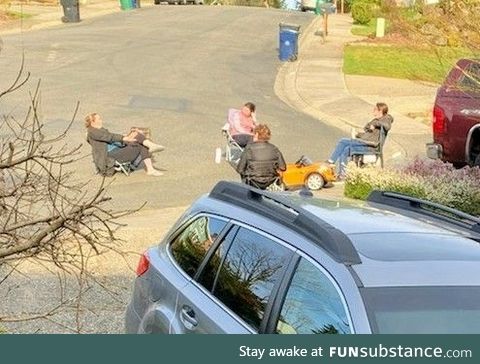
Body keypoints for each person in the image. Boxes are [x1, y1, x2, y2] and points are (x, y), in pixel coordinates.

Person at [85, 113, 165, 177]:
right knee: (140, 144)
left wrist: (127, 136)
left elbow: (111, 138)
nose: (101, 120)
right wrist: (124, 138)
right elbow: (110, 137)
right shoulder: (92, 132)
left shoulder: (99, 130)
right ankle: (150, 165)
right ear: (93, 122)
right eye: (99, 119)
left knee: (136, 134)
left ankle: (150, 149)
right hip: (112, 155)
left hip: (117, 150)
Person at [327, 102, 393, 177]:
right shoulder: (376, 120)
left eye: (375, 110)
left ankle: (331, 161)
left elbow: (387, 126)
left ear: (380, 111)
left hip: (370, 146)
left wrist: (375, 124)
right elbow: (366, 129)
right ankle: (342, 174)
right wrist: (360, 133)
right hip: (366, 143)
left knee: (343, 141)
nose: (373, 111)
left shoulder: (386, 119)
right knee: (345, 150)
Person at [236, 124, 287, 190]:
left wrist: (248, 172)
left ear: (257, 134)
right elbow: (283, 167)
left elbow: (240, 169)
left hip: (253, 182)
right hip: (270, 182)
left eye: (254, 134)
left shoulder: (249, 148)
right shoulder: (274, 149)